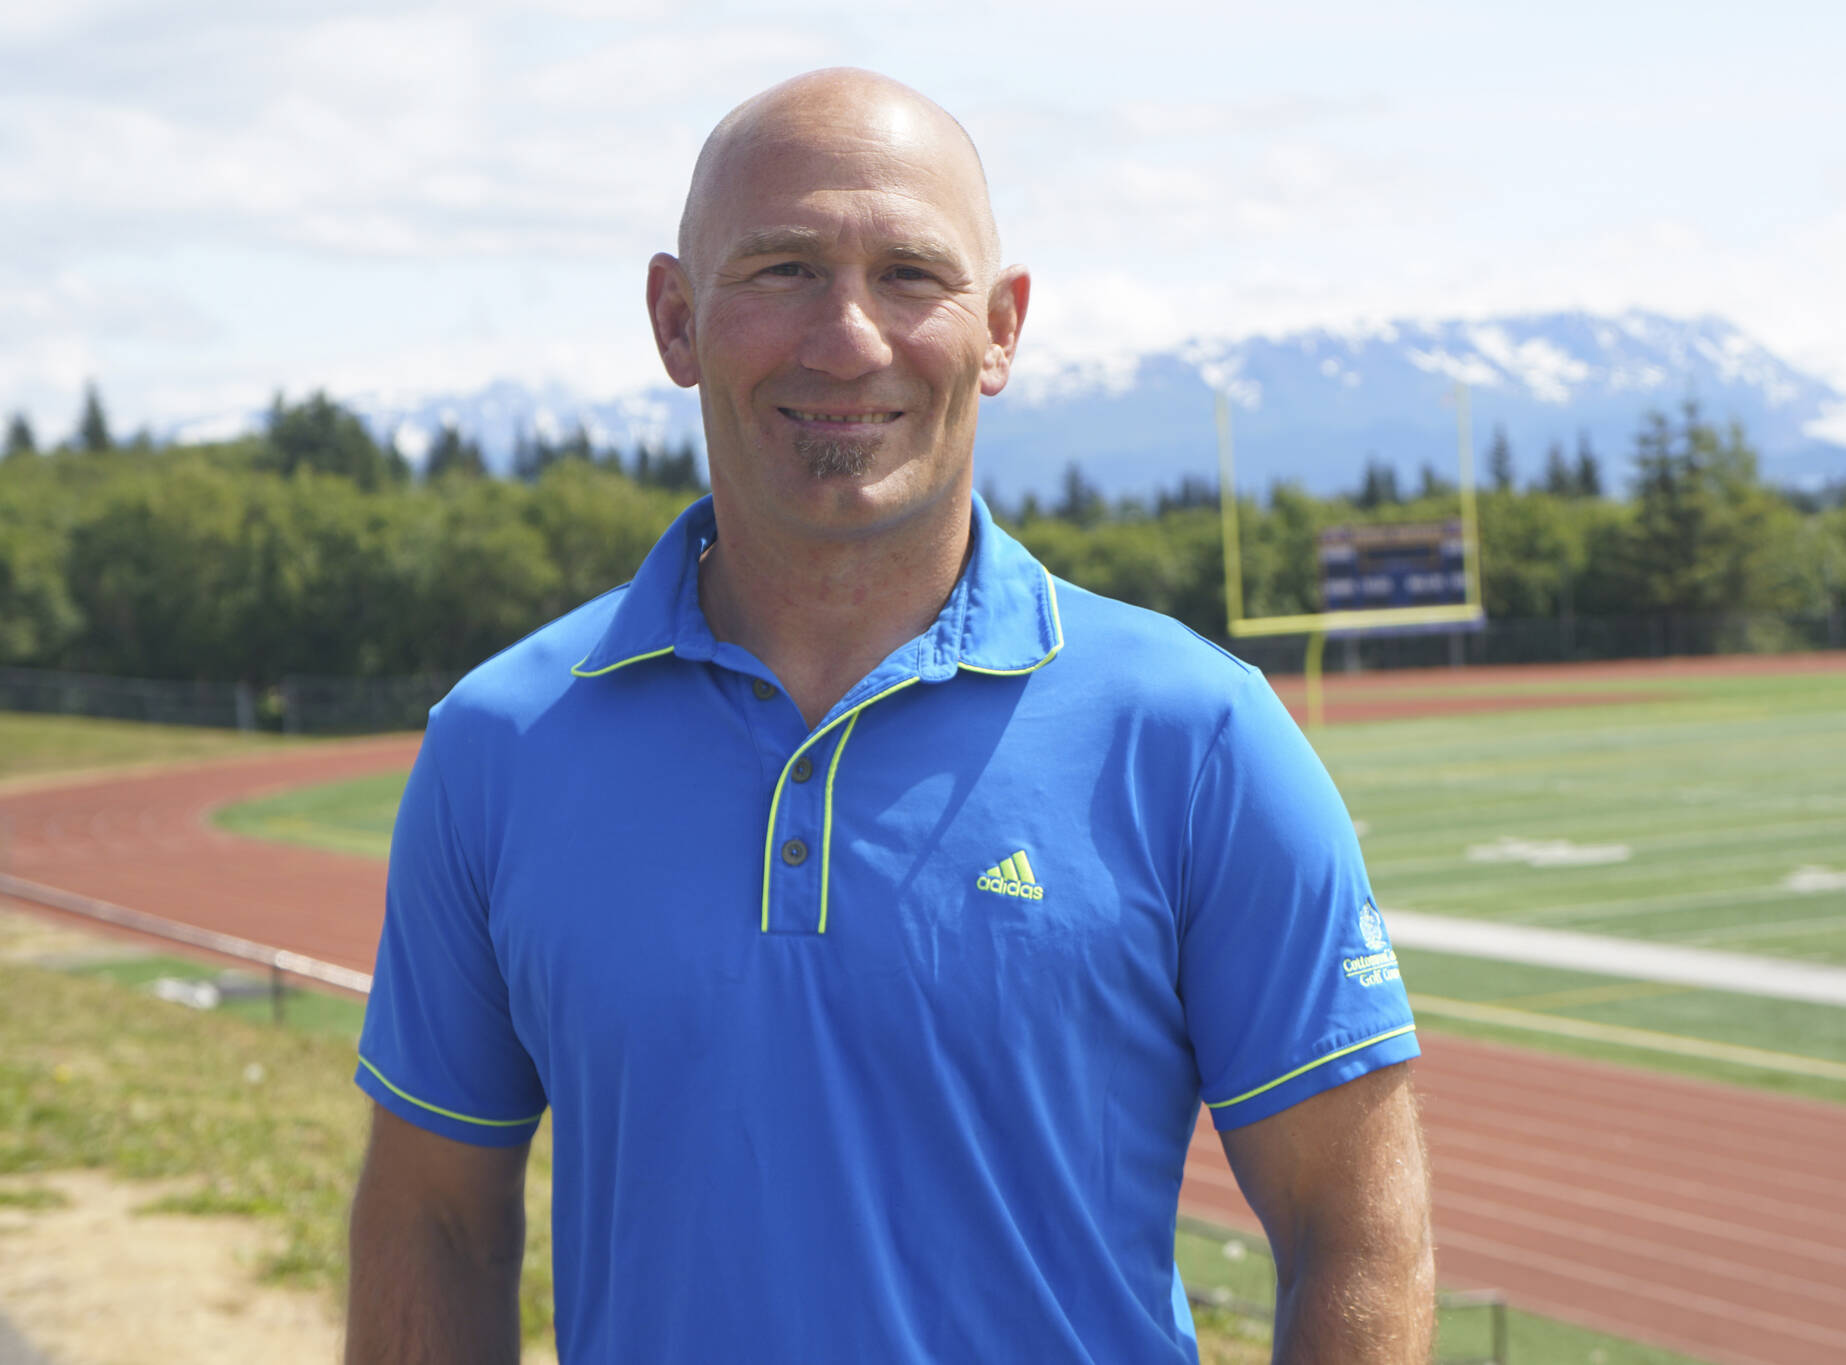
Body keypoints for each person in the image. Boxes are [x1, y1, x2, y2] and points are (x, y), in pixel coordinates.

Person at [345, 68, 1432, 1364]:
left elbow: (1356, 1224)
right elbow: (434, 1224)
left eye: (911, 274)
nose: (849, 339)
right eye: (784, 269)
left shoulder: (1201, 738)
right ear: (675, 319)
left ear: (1003, 328)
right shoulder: (500, 746)